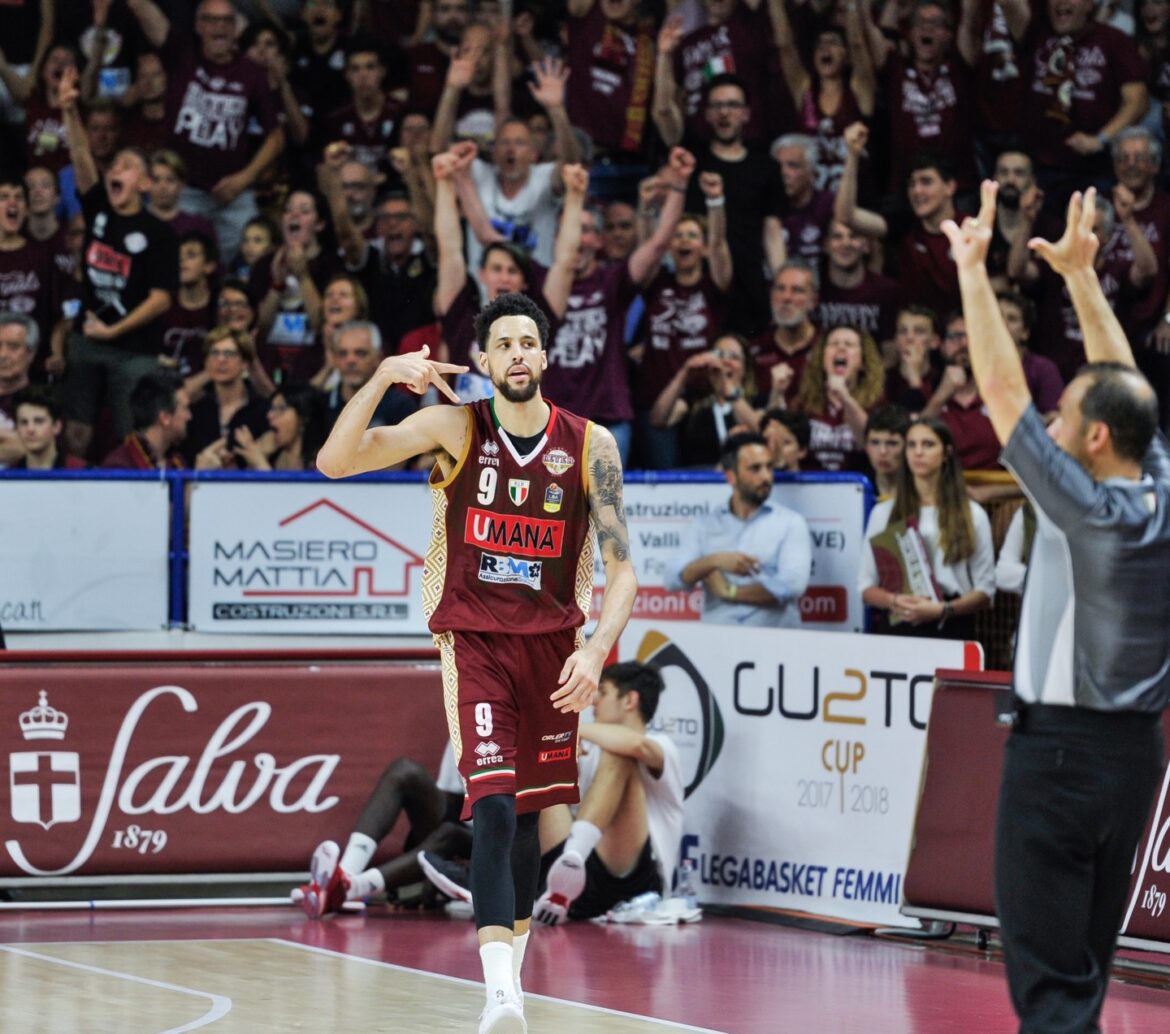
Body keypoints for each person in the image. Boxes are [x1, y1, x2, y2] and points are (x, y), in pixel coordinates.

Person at [314, 291, 638, 1034]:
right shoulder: (454, 427)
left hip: (557, 652)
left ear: (545, 357)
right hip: (476, 642)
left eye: (531, 342)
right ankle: (502, 997)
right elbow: (335, 462)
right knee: (490, 805)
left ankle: (509, 984)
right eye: (505, 344)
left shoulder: (591, 446)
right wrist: (382, 378)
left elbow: (622, 572)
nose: (520, 353)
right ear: (484, 361)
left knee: (527, 820)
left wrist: (594, 649)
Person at [942, 180, 1170, 1034]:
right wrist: (1080, 278)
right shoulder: (1160, 481)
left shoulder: (1082, 510)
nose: (1053, 417)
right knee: (1083, 982)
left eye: (1066, 417)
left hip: (1060, 763)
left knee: (1050, 995)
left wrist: (971, 271)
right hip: (1136, 760)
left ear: (1094, 441)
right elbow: (1125, 388)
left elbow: (1002, 394)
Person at [57, 65, 178, 458]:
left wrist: (114, 332)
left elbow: (161, 299)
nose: (115, 171)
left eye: (127, 167)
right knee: (75, 429)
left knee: (132, 436)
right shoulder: (98, 212)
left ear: (144, 184)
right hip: (88, 340)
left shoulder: (158, 232)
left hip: (134, 349)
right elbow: (80, 155)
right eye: (115, 166)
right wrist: (68, 111)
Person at [532, 661, 684, 924]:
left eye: (602, 693)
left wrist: (571, 732)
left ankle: (575, 854)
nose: (593, 702)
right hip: (573, 879)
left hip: (631, 879)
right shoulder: (587, 747)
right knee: (542, 770)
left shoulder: (662, 745)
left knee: (621, 752)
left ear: (630, 700)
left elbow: (635, 744)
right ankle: (525, 881)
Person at [297, 742, 472, 916]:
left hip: (491, 848)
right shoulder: (462, 728)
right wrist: (436, 877)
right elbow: (452, 806)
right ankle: (344, 875)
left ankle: (346, 890)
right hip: (458, 839)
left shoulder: (498, 735)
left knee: (451, 833)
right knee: (404, 771)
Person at [859, 416, 995, 638]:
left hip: (951, 622)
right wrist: (894, 600)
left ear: (947, 452)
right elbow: (866, 586)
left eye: (928, 444)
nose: (918, 452)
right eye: (912, 445)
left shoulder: (973, 514)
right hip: (900, 620)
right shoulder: (882, 513)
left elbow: (985, 591)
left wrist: (943, 610)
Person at [668, 430, 812, 627]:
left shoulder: (790, 523)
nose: (766, 477)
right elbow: (673, 578)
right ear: (731, 477)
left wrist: (730, 592)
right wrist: (714, 561)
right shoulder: (704, 524)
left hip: (775, 641)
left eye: (769, 467)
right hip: (718, 641)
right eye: (755, 468)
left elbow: (791, 585)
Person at [100, 368, 191, 470]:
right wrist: (200, 475)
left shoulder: (177, 462)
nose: (189, 416)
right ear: (165, 418)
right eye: (185, 408)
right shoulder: (120, 466)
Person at [10, 387, 86, 470]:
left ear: (57, 426)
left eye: (38, 421)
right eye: (24, 422)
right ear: (16, 428)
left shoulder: (84, 473)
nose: (30, 429)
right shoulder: (6, 478)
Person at [0, 314, 38, 466]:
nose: (3, 355)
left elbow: (33, 451)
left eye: (13, 347)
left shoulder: (42, 401)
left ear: (31, 354)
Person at [863, 404, 911, 500]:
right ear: (866, 447)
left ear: (908, 446)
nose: (882, 451)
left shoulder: (922, 490)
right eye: (875, 442)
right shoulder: (857, 490)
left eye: (892, 443)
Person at [760, 407, 811, 473]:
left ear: (801, 450)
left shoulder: (820, 483)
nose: (773, 447)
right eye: (767, 441)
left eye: (785, 443)